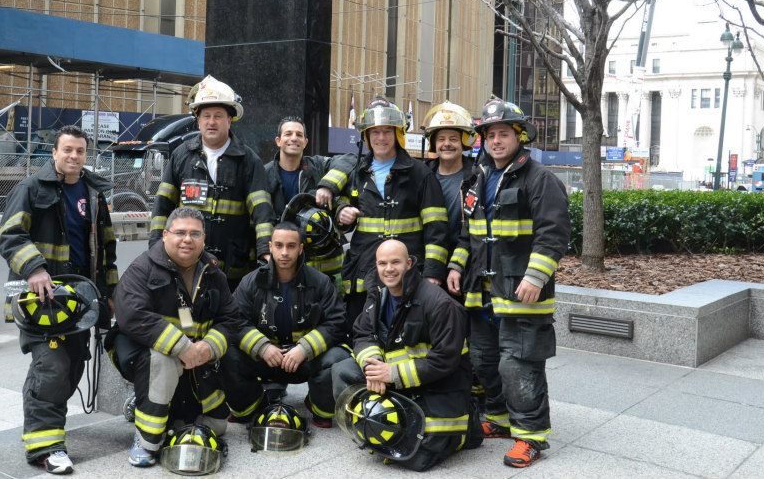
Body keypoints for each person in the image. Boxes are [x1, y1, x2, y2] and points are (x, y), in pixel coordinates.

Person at [447, 99, 570, 468]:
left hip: (521, 291)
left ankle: (529, 436)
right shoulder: (476, 179)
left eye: (504, 134)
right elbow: (467, 234)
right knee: (484, 361)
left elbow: (554, 234)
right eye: (490, 135)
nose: (496, 141)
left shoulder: (540, 179)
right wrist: (456, 267)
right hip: (482, 292)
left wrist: (536, 276)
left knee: (519, 363)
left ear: (519, 137)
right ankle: (498, 419)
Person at [0, 125, 118, 475]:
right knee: (51, 367)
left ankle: (46, 425)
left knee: (73, 366)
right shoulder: (31, 188)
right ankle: (46, 448)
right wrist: (33, 268)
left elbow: (107, 250)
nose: (74, 156)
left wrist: (107, 296)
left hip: (80, 302)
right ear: (54, 153)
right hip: (40, 302)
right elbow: (9, 235)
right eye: (67, 150)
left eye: (80, 151)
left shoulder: (94, 194)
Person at [110, 206, 242, 468]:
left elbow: (231, 320)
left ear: (204, 238)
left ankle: (159, 407)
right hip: (143, 351)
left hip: (197, 356)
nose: (187, 239)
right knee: (163, 360)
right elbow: (132, 315)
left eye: (195, 234)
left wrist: (208, 348)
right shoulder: (142, 268)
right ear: (165, 235)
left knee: (217, 426)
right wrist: (183, 348)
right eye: (180, 232)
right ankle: (146, 439)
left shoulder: (213, 272)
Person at [331, 240, 473, 472]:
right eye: (382, 263)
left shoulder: (439, 303)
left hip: (436, 385)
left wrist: (391, 373)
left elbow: (445, 359)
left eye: (395, 262)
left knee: (415, 458)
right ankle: (372, 422)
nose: (389, 269)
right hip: (396, 379)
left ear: (409, 263)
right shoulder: (377, 292)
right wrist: (373, 366)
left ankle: (467, 428)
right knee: (342, 369)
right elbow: (363, 332)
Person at [315, 97, 448, 330]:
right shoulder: (357, 171)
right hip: (364, 270)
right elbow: (342, 208)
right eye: (375, 132)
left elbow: (436, 228)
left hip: (408, 272)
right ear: (366, 136)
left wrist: (433, 273)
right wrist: (342, 212)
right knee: (362, 332)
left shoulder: (420, 174)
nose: (381, 138)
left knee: (405, 333)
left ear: (398, 134)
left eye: (387, 131)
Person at [149, 75, 274, 289]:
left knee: (228, 318)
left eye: (218, 115)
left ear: (230, 119)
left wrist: (265, 250)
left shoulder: (248, 159)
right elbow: (163, 205)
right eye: (206, 116)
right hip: (187, 260)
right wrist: (156, 246)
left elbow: (262, 210)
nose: (211, 122)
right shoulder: (181, 156)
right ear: (198, 120)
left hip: (234, 265)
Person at [221, 222, 350, 426]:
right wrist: (261, 347)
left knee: (339, 357)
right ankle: (250, 406)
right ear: (270, 247)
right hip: (265, 360)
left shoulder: (320, 282)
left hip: (303, 360)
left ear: (300, 249)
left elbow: (337, 322)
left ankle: (319, 406)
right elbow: (234, 321)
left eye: (291, 246)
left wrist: (304, 349)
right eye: (279, 245)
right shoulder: (250, 282)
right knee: (226, 352)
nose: (284, 252)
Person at [264, 116, 346, 277]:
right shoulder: (265, 174)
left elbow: (348, 160)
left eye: (299, 134)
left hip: (321, 264)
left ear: (306, 142)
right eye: (288, 134)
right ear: (278, 141)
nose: (294, 138)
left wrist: (328, 185)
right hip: (284, 260)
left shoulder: (319, 166)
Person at [421, 100, 480, 259]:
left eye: (453, 139)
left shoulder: (477, 177)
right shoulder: (422, 176)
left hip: (466, 261)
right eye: (441, 139)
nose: (446, 144)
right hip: (429, 260)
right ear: (434, 143)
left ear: (463, 143)